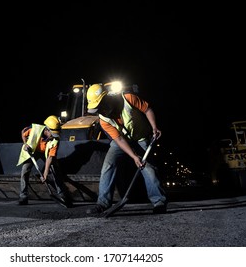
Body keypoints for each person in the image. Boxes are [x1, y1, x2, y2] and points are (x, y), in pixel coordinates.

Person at [85, 83, 167, 215]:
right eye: (96, 109)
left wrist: (154, 127)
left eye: (99, 106)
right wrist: (134, 156)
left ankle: (159, 202)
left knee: (148, 167)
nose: (99, 111)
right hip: (122, 141)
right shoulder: (103, 120)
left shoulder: (128, 98)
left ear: (106, 99)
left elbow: (147, 109)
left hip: (140, 139)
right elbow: (119, 139)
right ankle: (103, 203)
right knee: (108, 165)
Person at [16, 115, 72, 207]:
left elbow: (50, 157)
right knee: (25, 170)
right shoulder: (34, 129)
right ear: (47, 130)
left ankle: (62, 194)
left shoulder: (55, 140)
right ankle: (23, 196)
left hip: (46, 154)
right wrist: (25, 144)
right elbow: (23, 132)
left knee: (55, 170)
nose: (54, 137)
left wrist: (45, 174)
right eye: (53, 134)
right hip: (34, 150)